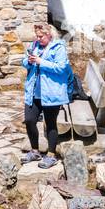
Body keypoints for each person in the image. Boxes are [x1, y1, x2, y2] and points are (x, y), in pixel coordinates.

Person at [21, 22, 72, 168]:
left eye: (41, 36)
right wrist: (29, 61)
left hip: (51, 92)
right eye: (37, 36)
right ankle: (35, 151)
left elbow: (61, 68)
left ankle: (51, 155)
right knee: (30, 120)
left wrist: (40, 61)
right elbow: (25, 61)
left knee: (50, 124)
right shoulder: (34, 45)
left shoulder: (59, 47)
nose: (38, 39)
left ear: (49, 34)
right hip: (34, 92)